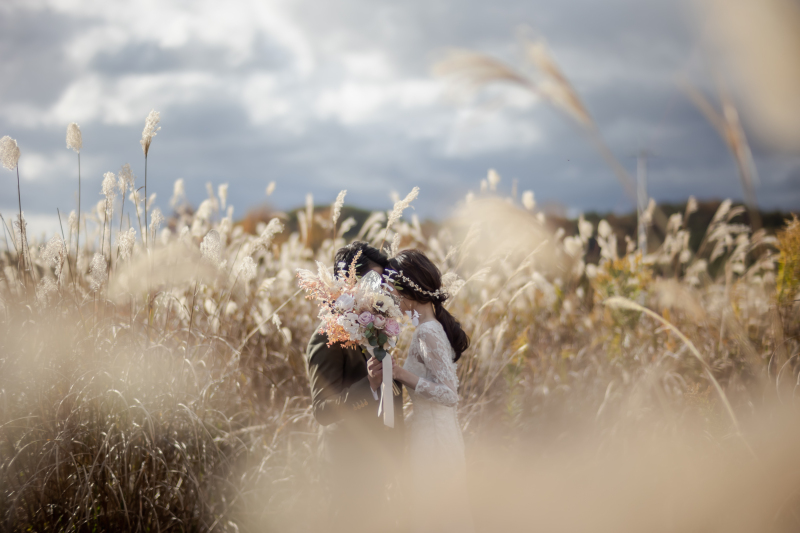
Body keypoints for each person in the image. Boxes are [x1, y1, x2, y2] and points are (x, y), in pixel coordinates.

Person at [305, 241, 405, 532]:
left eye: (382, 284)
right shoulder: (326, 337)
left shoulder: (377, 329)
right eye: (372, 282)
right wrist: (369, 384)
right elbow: (323, 410)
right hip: (346, 465)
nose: (380, 291)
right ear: (349, 284)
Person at [387, 249, 475, 533]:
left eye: (394, 291)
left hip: (435, 441)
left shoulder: (427, 331)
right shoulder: (429, 326)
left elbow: (449, 395)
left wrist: (400, 374)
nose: (392, 299)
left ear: (408, 292)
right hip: (431, 433)